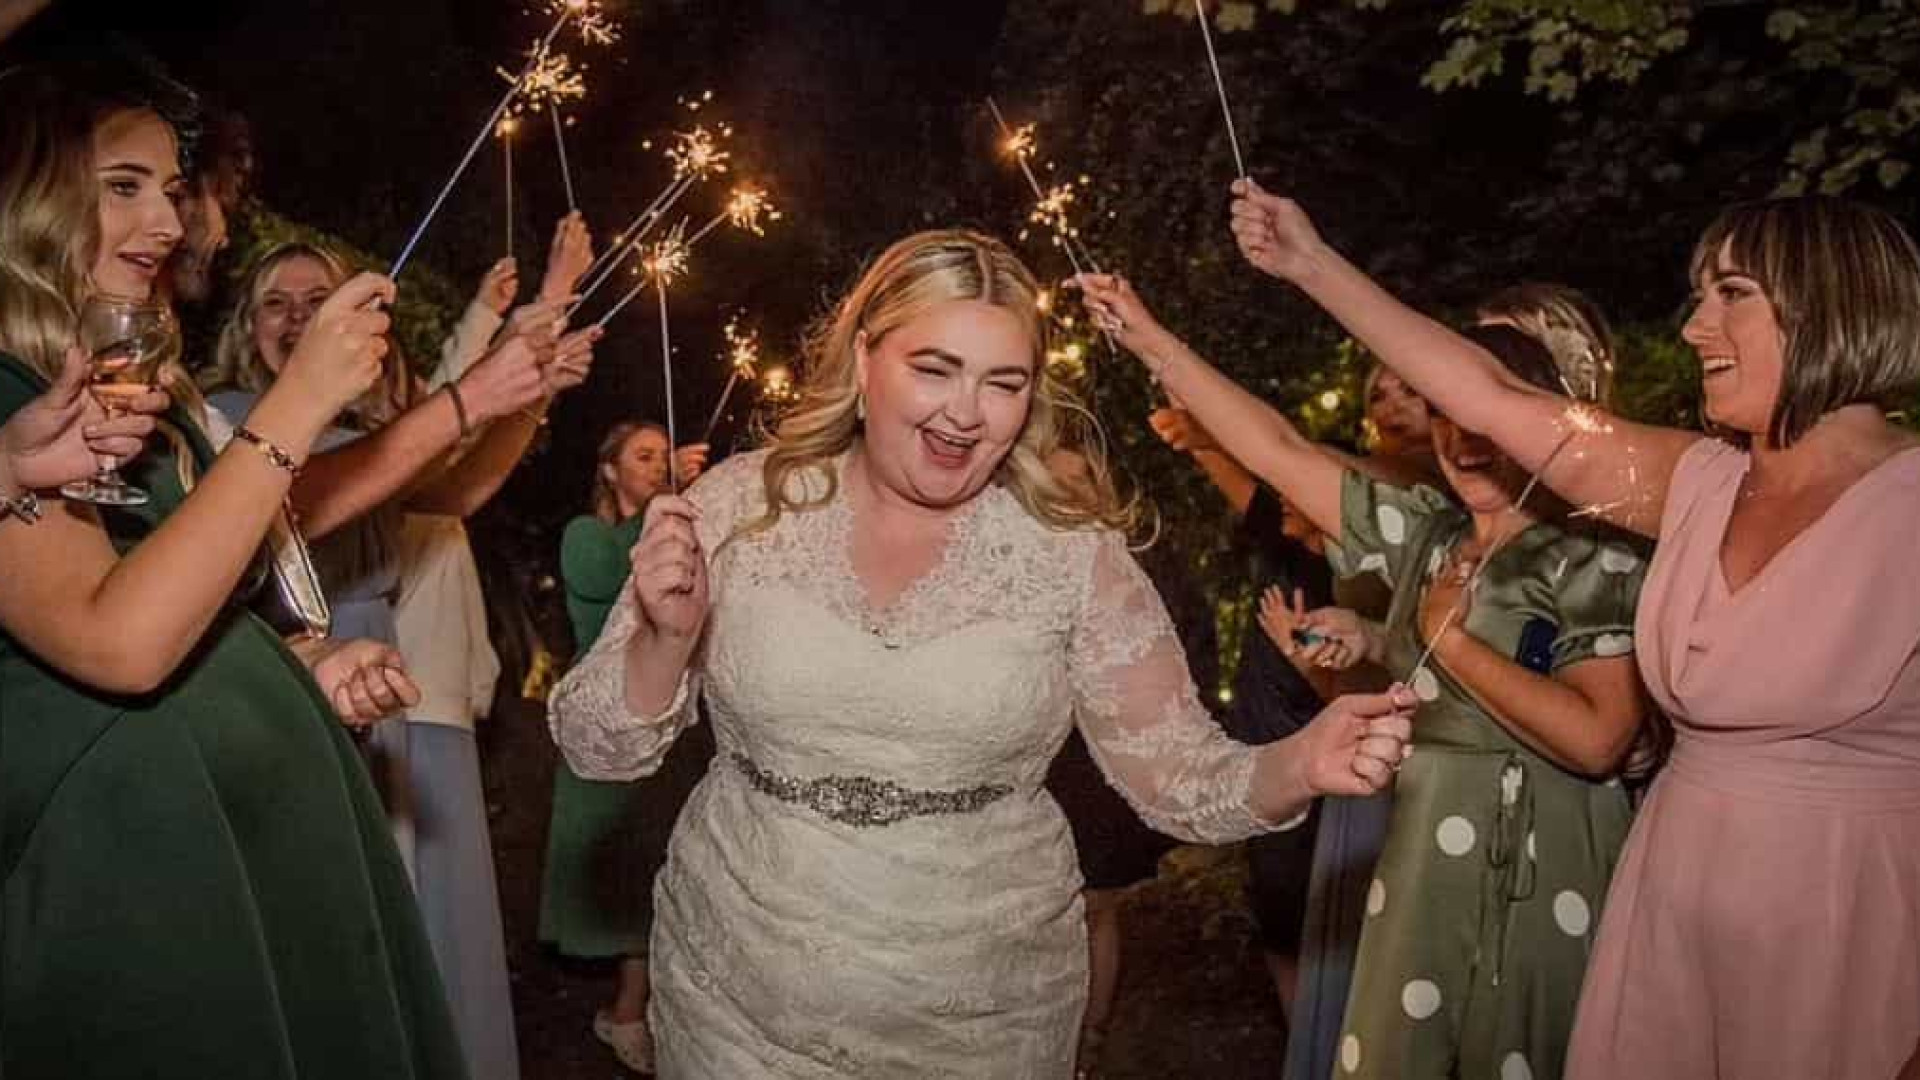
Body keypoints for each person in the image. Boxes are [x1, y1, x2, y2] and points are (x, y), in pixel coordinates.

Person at [547, 228, 1416, 1077]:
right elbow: (597, 745)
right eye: (934, 370)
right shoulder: (740, 505)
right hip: (737, 983)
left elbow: (1180, 776)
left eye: (1003, 383)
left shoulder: (1071, 553)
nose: (965, 414)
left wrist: (1300, 762)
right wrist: (664, 641)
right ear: (861, 363)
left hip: (975, 1007)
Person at [1227, 182, 1920, 1079]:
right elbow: (1487, 395)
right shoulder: (1692, 481)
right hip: (1669, 905)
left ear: (1833, 302)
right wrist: (1309, 263)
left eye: (1731, 294)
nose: (1693, 328)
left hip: (1840, 929)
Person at [0, 65, 464, 1078]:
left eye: (170, 189)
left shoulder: (143, 392)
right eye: (124, 184)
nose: (165, 220)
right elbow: (116, 642)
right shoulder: (8, 392)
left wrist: (300, 669)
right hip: (127, 878)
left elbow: (201, 598)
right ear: (29, 191)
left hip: (246, 844)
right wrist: (297, 404)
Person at [205, 227, 595, 1080]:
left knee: (410, 916)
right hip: (292, 665)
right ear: (246, 326)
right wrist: (472, 396)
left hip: (384, 676)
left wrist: (525, 398)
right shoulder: (233, 417)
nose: (300, 317)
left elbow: (453, 490)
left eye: (318, 301)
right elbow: (301, 498)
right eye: (278, 303)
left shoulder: (355, 426)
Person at [540, 420, 710, 1075]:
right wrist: (660, 519)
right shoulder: (587, 536)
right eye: (643, 456)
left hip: (669, 721)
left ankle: (650, 1010)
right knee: (629, 875)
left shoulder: (677, 531)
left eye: (665, 456)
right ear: (609, 470)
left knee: (662, 867)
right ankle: (627, 1014)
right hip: (605, 718)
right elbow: (611, 578)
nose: (657, 464)